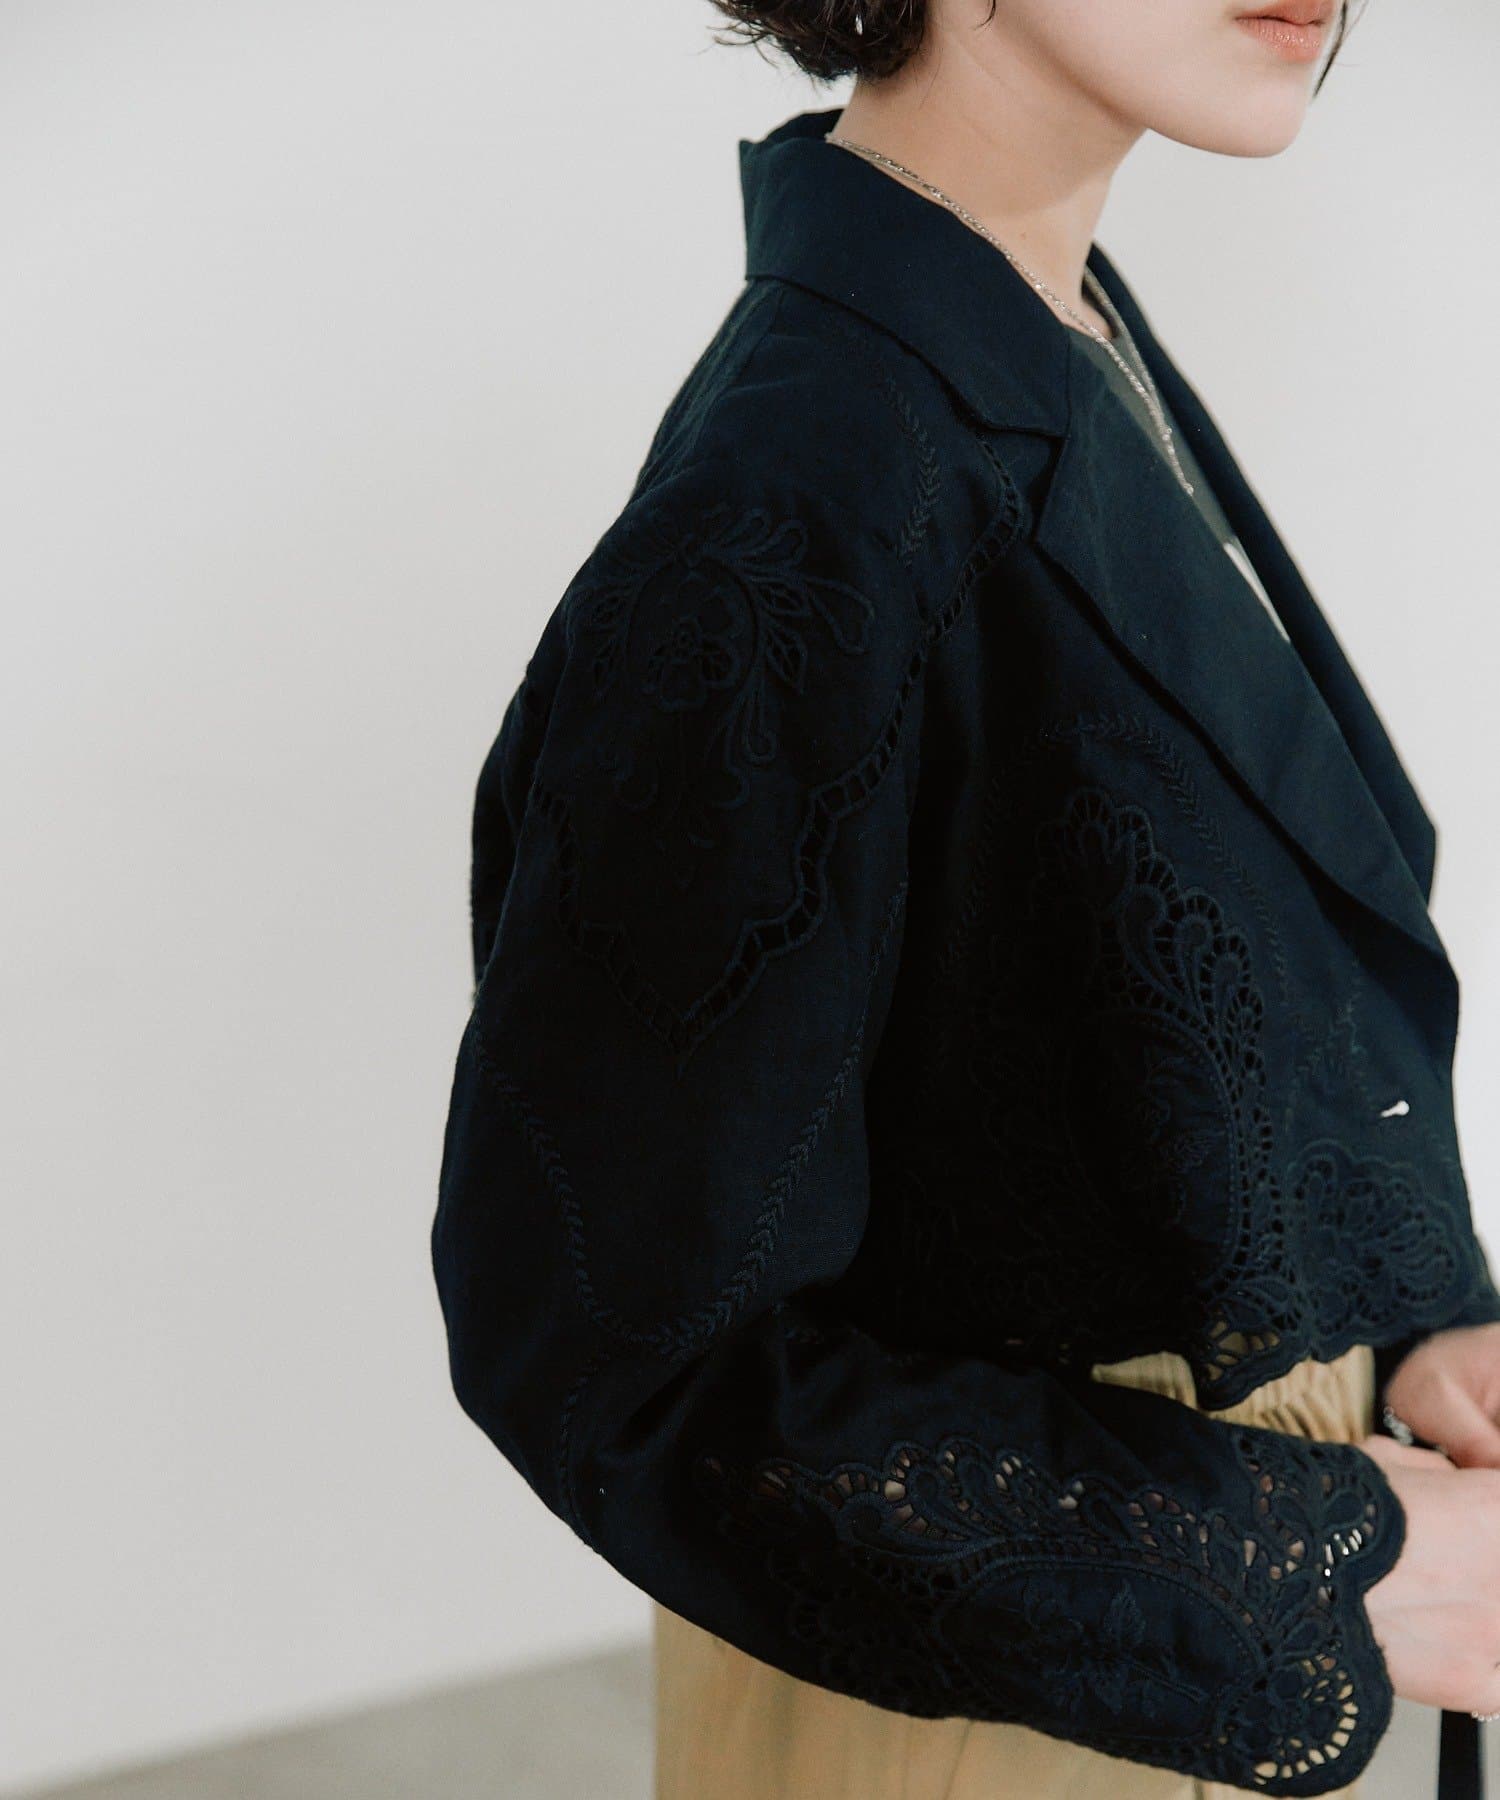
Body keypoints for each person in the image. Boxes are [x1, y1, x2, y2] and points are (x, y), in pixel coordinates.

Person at [430, 2, 1500, 1794]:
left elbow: (1097, 1002)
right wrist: (1327, 1570)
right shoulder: (804, 485)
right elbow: (628, 1361)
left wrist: (1404, 1320)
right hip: (983, 1718)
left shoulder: (1043, 318)